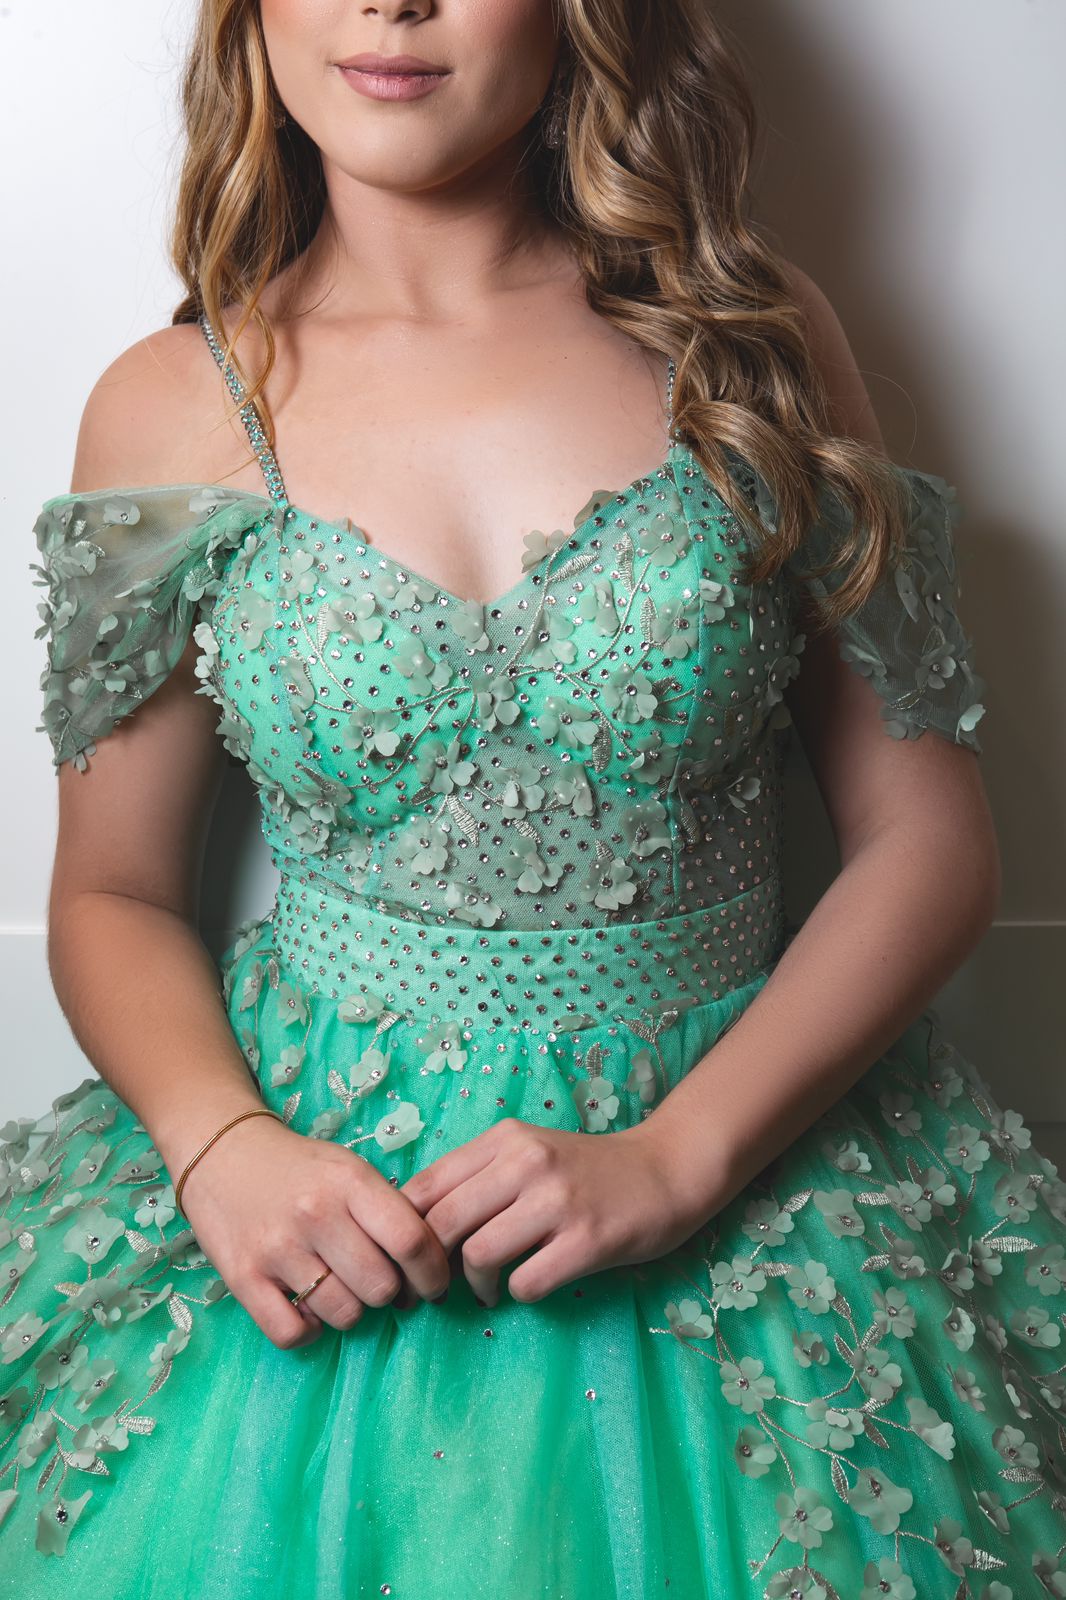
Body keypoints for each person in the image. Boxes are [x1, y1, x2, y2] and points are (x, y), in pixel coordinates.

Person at [5, 2, 1064, 1594]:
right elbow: (114, 891)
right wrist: (221, 1147)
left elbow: (926, 837)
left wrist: (679, 1157)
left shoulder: (751, 344)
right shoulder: (174, 398)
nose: (392, 3)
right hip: (315, 1183)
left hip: (747, 1151)